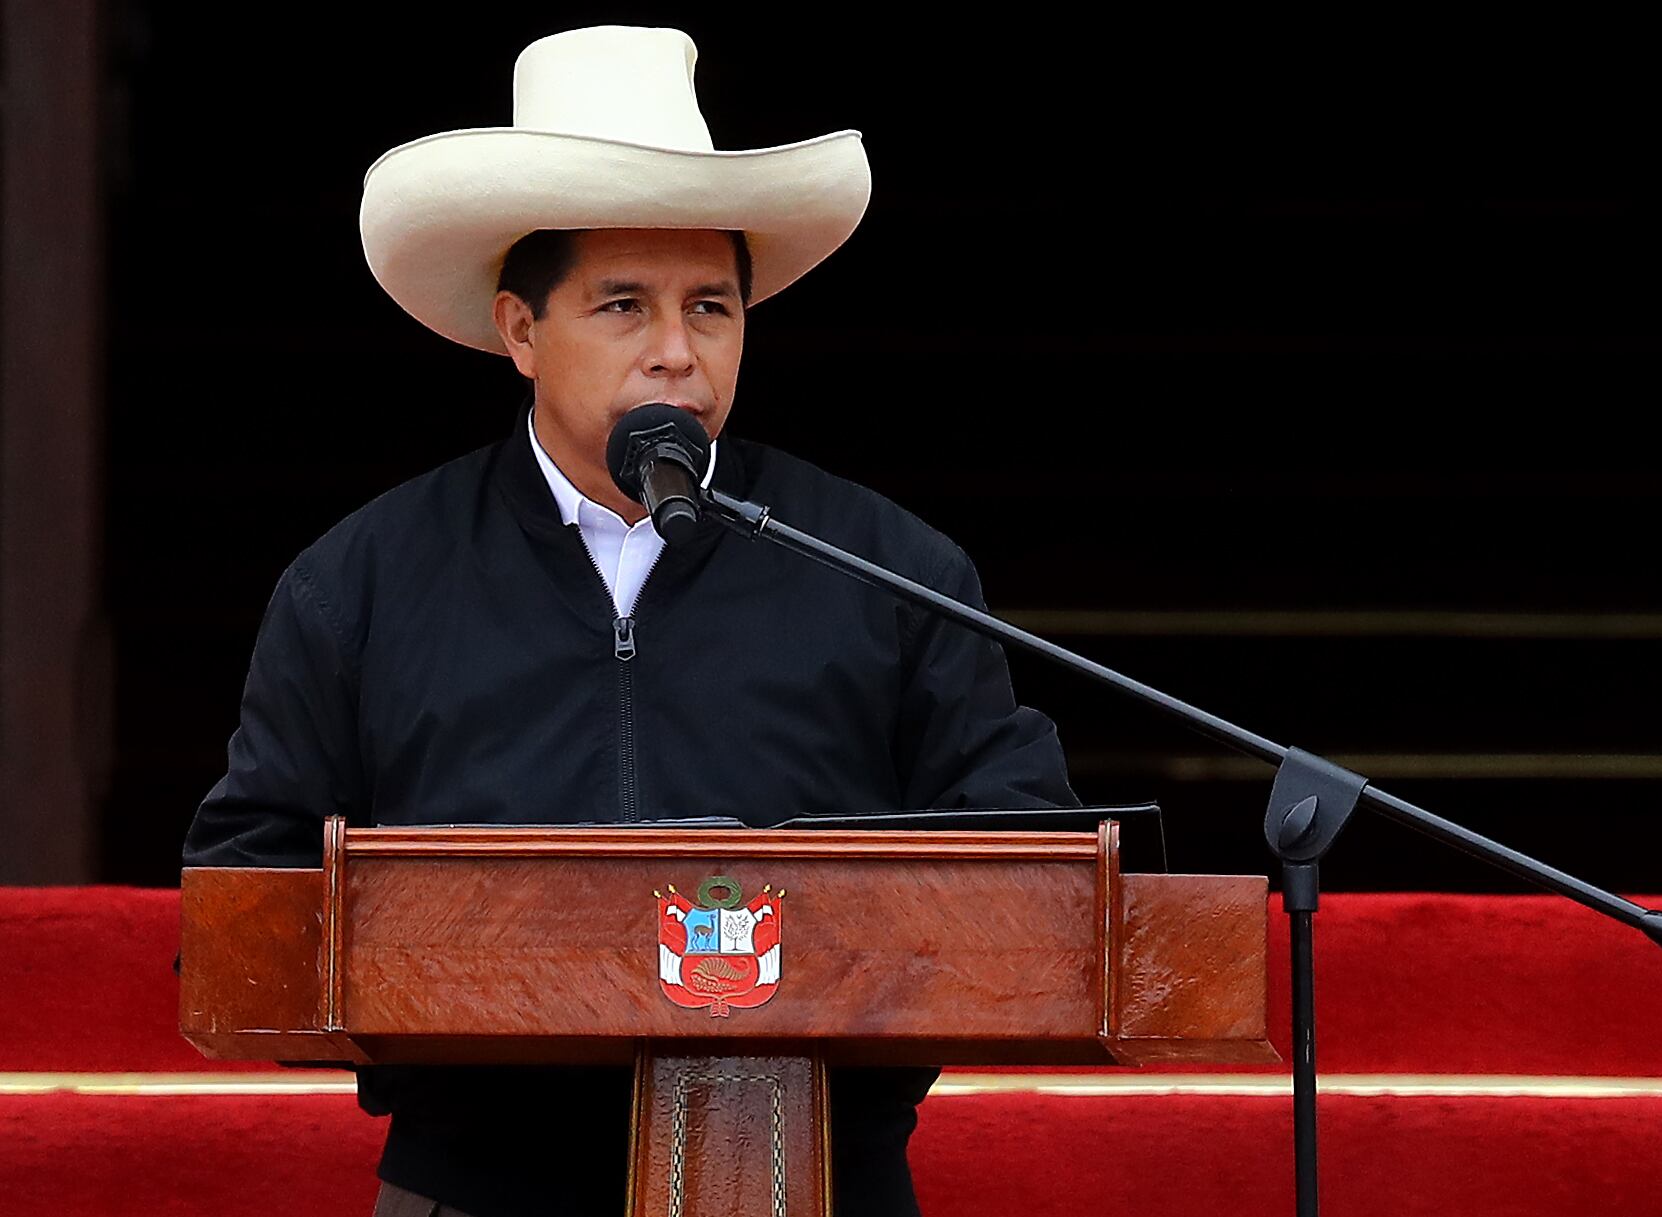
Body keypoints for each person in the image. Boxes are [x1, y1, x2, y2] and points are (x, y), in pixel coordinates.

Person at [181, 24, 1076, 1217]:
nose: (676, 353)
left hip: (816, 1175)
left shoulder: (886, 567)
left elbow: (1027, 857)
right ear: (518, 330)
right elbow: (249, 886)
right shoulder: (361, 583)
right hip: (478, 1183)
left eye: (711, 305)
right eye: (621, 305)